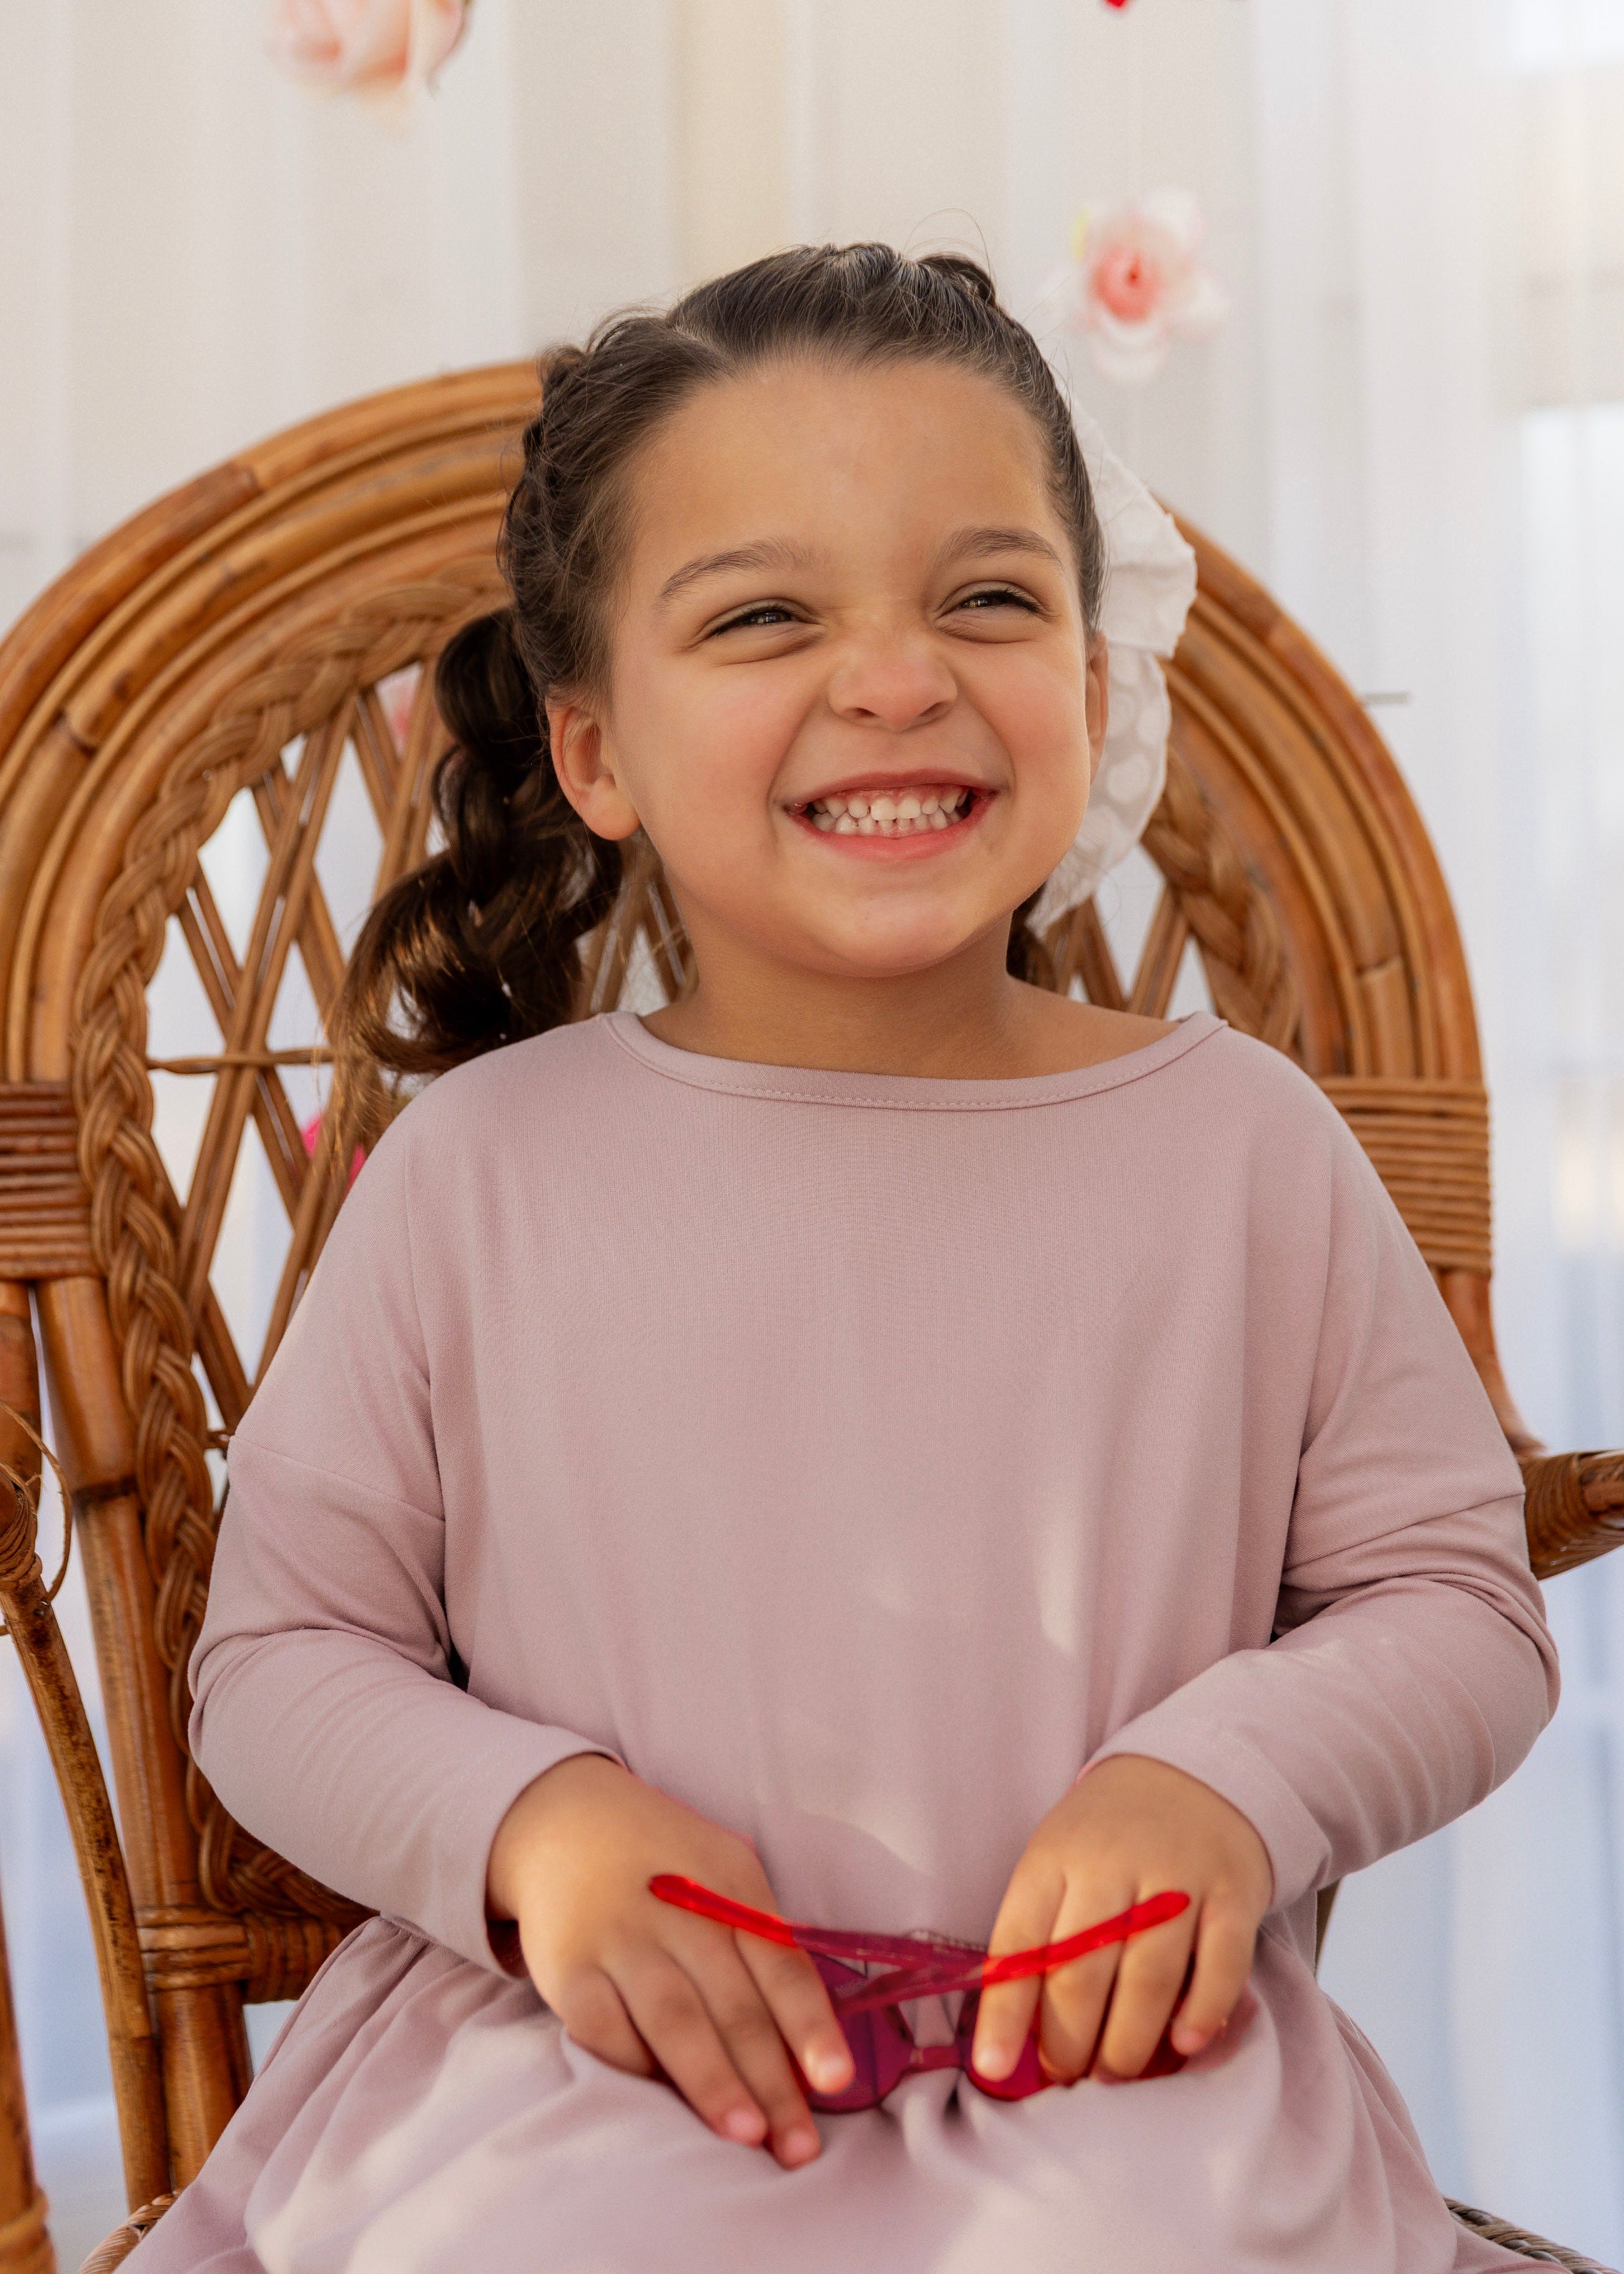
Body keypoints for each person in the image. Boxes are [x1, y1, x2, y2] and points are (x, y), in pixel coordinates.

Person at [130, 245, 1557, 2273]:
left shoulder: (1244, 1148)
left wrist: (1221, 1785)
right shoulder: (481, 1172)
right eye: (767, 615)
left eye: (988, 597)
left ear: (1093, 669)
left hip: (1125, 2093)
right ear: (599, 754)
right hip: (592, 2076)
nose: (897, 677)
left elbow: (1456, 1607)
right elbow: (280, 1664)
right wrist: (540, 1831)